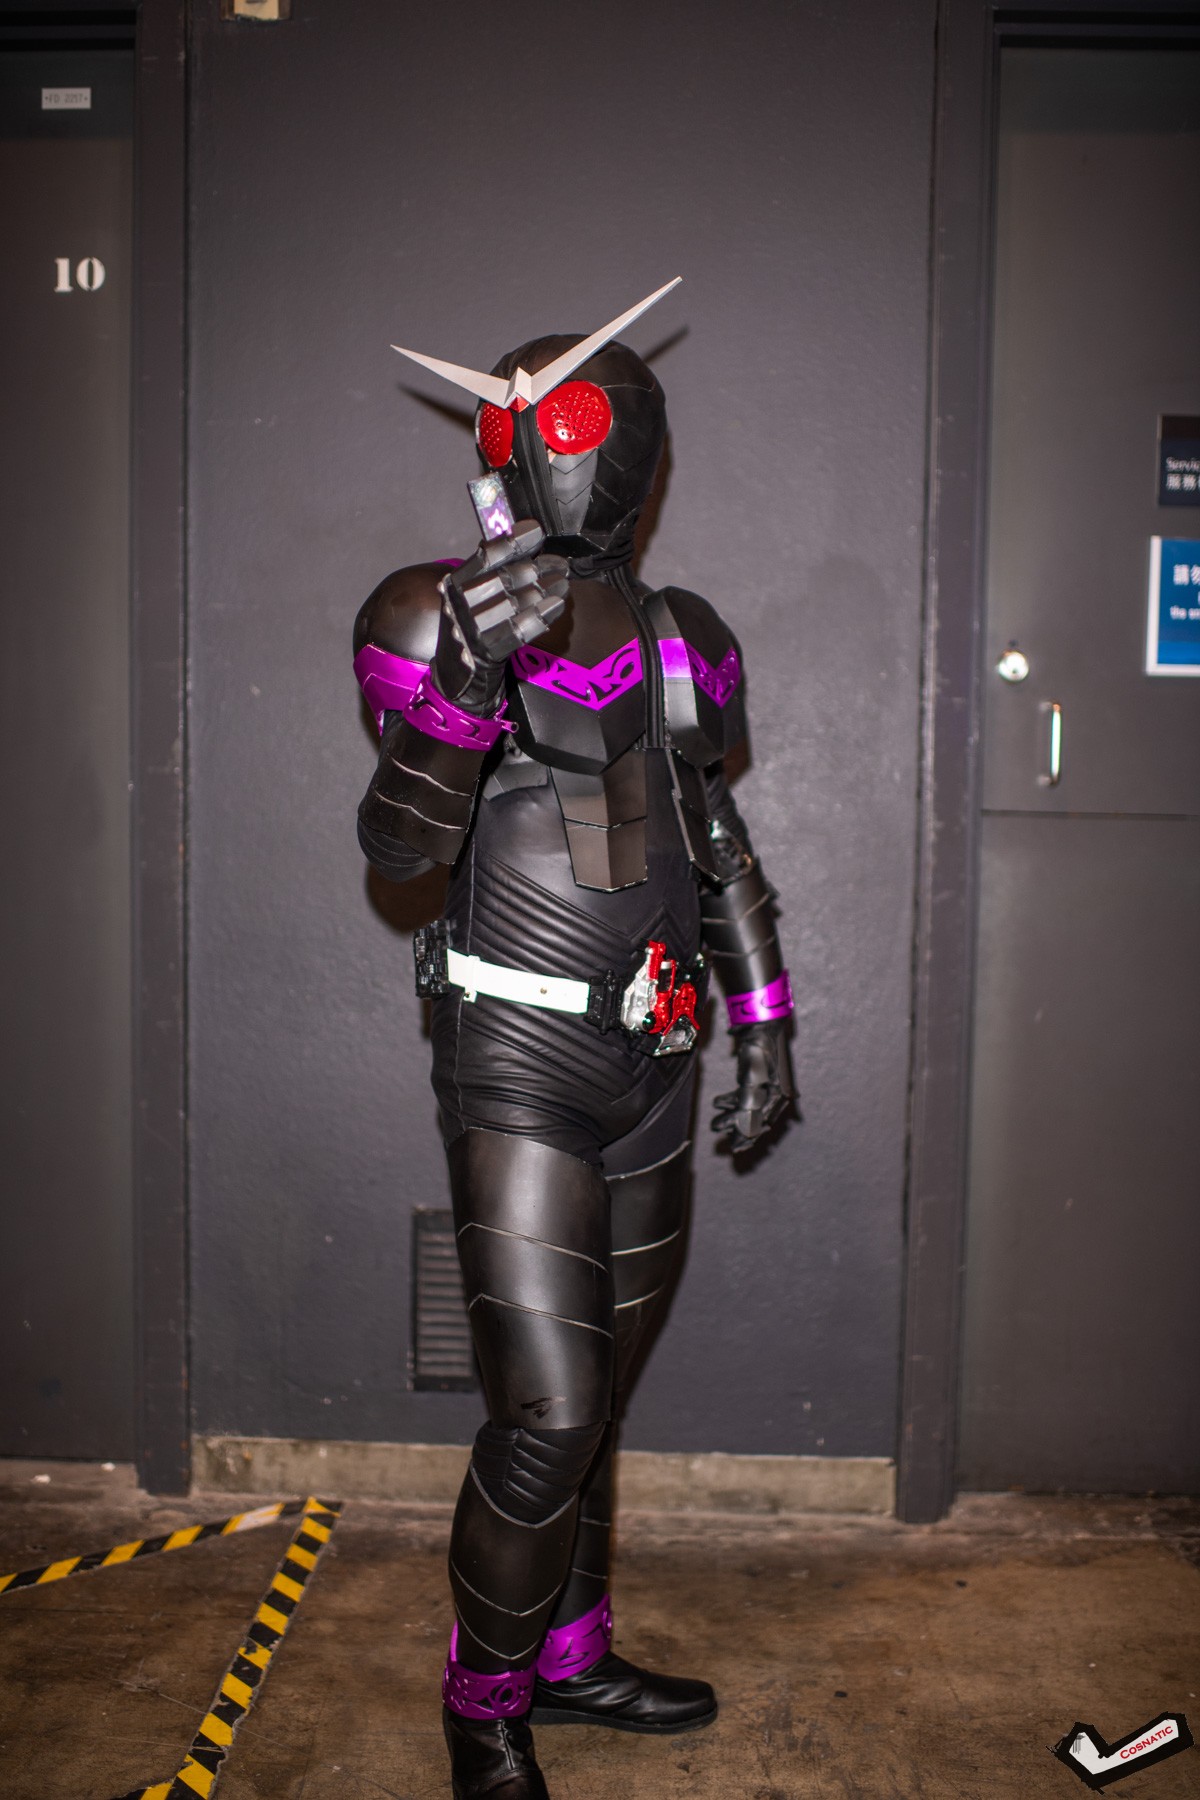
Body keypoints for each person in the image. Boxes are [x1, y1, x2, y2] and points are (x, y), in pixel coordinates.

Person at [353, 283, 796, 1800]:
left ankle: (570, 1654)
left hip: (658, 1061)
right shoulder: (429, 612)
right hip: (518, 1065)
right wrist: (472, 676)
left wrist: (765, 1019)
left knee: (596, 1407)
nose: (585, 446)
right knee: (546, 1416)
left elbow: (711, 834)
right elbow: (400, 850)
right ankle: (482, 1708)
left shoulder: (686, 636)